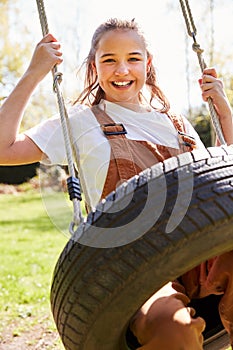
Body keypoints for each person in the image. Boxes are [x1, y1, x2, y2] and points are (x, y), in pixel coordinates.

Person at [0, 18, 233, 349]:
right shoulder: (80, 121)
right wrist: (35, 72)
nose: (121, 70)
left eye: (133, 58)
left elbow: (224, 184)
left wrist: (225, 115)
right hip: (134, 262)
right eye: (109, 60)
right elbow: (2, 148)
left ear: (147, 63)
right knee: (173, 329)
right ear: (94, 66)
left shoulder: (176, 122)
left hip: (200, 253)